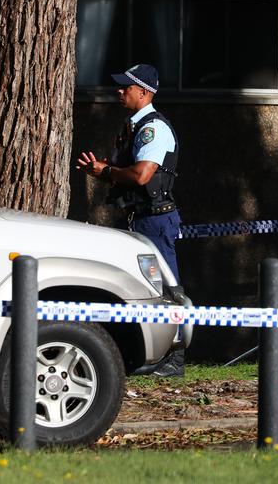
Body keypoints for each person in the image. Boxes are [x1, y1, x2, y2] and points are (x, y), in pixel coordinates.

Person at [76, 63, 183, 377]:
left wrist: (105, 171)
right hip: (140, 219)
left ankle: (175, 359)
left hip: (155, 220)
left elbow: (142, 174)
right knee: (144, 289)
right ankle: (153, 356)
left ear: (144, 92)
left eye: (127, 87)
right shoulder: (131, 126)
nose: (119, 91)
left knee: (167, 289)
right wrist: (101, 168)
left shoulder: (153, 128)